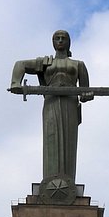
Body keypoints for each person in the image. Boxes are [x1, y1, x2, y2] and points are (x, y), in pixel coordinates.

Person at [10, 30, 92, 184]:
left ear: (69, 42)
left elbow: (85, 90)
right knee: (51, 137)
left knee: (69, 140)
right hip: (51, 102)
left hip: (70, 104)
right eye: (57, 38)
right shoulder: (46, 62)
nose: (60, 40)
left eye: (63, 38)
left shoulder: (78, 64)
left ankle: (67, 181)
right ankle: (50, 181)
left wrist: (86, 95)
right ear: (53, 42)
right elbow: (20, 64)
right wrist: (15, 83)